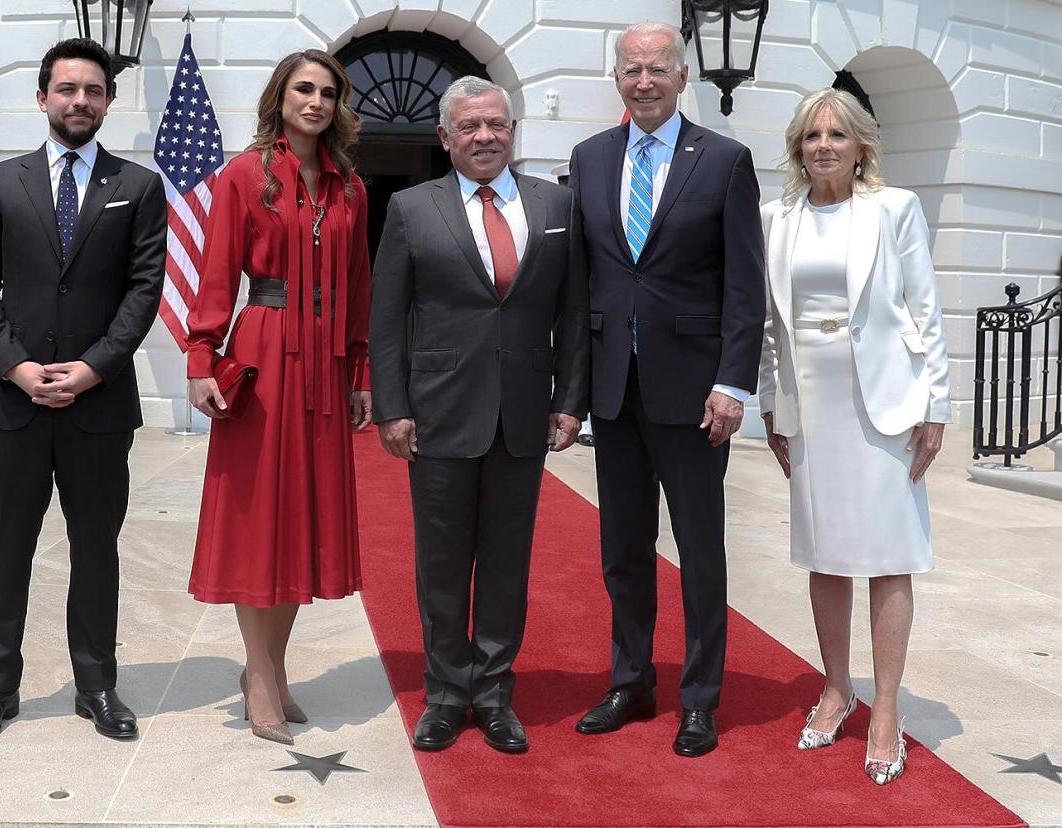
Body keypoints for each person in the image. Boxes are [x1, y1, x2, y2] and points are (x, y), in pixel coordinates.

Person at [369, 76, 588, 754]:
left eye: (495, 123)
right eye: (469, 126)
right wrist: (394, 406)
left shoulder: (558, 205)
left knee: (504, 563)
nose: (485, 136)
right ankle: (444, 695)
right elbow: (387, 318)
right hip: (438, 414)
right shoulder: (410, 208)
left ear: (513, 129)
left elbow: (573, 312)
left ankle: (493, 694)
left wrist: (570, 400)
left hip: (523, 413)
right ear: (445, 137)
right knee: (440, 563)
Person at [0, 38, 166, 742]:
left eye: (94, 90)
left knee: (95, 548)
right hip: (13, 404)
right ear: (42, 97)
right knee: (7, 547)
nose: (81, 100)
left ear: (108, 101)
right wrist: (15, 366)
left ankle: (97, 684)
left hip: (98, 406)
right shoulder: (0, 182)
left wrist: (95, 367)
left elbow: (143, 290)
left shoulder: (137, 187)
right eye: (68, 89)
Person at [567, 22, 765, 757]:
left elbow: (746, 287)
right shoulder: (588, 159)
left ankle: (701, 698)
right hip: (614, 391)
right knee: (622, 548)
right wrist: (575, 390)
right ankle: (631, 680)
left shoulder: (724, 161)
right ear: (615, 78)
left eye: (656, 69)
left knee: (700, 552)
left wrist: (731, 383)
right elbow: (583, 281)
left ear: (682, 77)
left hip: (693, 395)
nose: (643, 81)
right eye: (631, 70)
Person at [758, 88, 950, 785]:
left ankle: (887, 709)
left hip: (886, 403)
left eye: (837, 134)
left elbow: (924, 310)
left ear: (861, 144)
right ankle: (837, 688)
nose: (824, 146)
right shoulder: (773, 218)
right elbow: (768, 326)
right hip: (811, 404)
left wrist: (937, 405)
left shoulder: (893, 209)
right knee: (826, 553)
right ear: (797, 147)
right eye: (811, 136)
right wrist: (770, 407)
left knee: (889, 555)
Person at [185, 50, 372, 746]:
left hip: (326, 362)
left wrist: (362, 374)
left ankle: (273, 665)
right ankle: (259, 675)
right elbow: (213, 274)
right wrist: (202, 357)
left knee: (307, 520)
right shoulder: (244, 175)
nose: (315, 101)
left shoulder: (350, 188)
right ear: (280, 97)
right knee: (258, 520)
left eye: (327, 92)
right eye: (303, 89)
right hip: (263, 354)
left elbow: (360, 288)